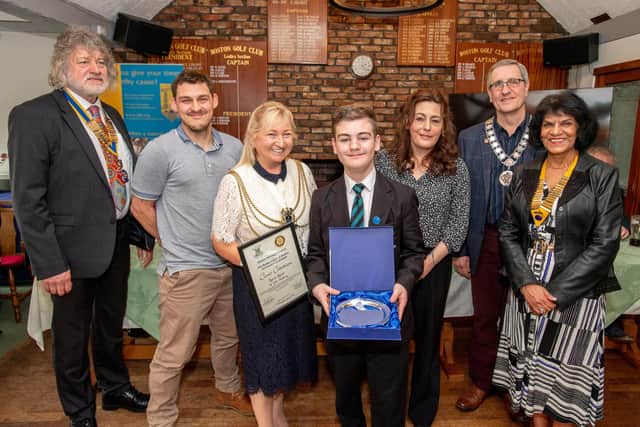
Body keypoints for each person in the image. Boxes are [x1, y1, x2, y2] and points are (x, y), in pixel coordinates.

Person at [8, 26, 152, 427]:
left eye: (102, 61)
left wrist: (138, 232)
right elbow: (28, 200)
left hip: (115, 242)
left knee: (110, 326)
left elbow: (122, 177)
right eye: (84, 60)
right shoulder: (34, 115)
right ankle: (79, 410)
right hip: (67, 252)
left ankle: (114, 388)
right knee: (71, 339)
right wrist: (49, 263)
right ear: (61, 68)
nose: (96, 67)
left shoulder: (111, 116)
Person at [494, 91, 623, 427]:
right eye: (549, 124)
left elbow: (605, 242)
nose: (556, 131)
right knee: (533, 364)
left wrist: (554, 294)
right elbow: (507, 232)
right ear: (539, 130)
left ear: (579, 128)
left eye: (566, 123)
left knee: (566, 376)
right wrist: (526, 284)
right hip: (526, 285)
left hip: (575, 290)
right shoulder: (525, 172)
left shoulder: (600, 175)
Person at [130, 71, 250, 426]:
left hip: (230, 265)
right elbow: (140, 206)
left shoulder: (234, 148)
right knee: (174, 352)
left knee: (229, 338)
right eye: (186, 100)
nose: (195, 107)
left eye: (201, 99)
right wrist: (170, 240)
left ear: (214, 101)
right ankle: (161, 416)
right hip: (186, 271)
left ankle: (227, 389)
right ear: (174, 105)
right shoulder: (159, 150)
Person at [307, 104, 425, 427]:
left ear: (377, 142)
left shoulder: (401, 197)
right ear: (334, 146)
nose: (354, 146)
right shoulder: (321, 199)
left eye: (362, 137)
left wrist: (404, 283)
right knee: (347, 404)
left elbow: (415, 253)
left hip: (390, 319)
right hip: (339, 321)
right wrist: (317, 285)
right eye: (345, 139)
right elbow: (315, 255)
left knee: (389, 405)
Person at [211, 101, 318, 426]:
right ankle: (265, 422)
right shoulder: (236, 181)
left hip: (296, 284)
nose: (280, 141)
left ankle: (278, 413)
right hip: (257, 287)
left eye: (286, 134)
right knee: (263, 358)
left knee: (286, 354)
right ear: (254, 137)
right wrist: (261, 263)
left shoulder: (302, 172)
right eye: (271, 133)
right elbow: (220, 240)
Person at [375, 89, 470, 426]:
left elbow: (458, 226)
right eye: (421, 118)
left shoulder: (456, 168)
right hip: (389, 266)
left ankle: (422, 412)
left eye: (435, 120)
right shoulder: (384, 162)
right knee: (392, 343)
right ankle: (390, 413)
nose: (427, 127)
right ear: (408, 122)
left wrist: (425, 265)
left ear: (444, 126)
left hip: (434, 266)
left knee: (428, 342)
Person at [453, 59, 539, 412]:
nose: (505, 89)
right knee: (486, 316)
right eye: (497, 84)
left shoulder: (545, 133)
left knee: (526, 317)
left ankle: (522, 386)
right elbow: (459, 194)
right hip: (485, 239)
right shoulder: (469, 138)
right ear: (489, 94)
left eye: (512, 82)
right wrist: (460, 248)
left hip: (531, 242)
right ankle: (481, 380)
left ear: (525, 87)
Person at [586, 145, 633, 343]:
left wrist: (623, 226)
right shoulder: (572, 188)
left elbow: (623, 217)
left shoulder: (614, 192)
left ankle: (610, 320)